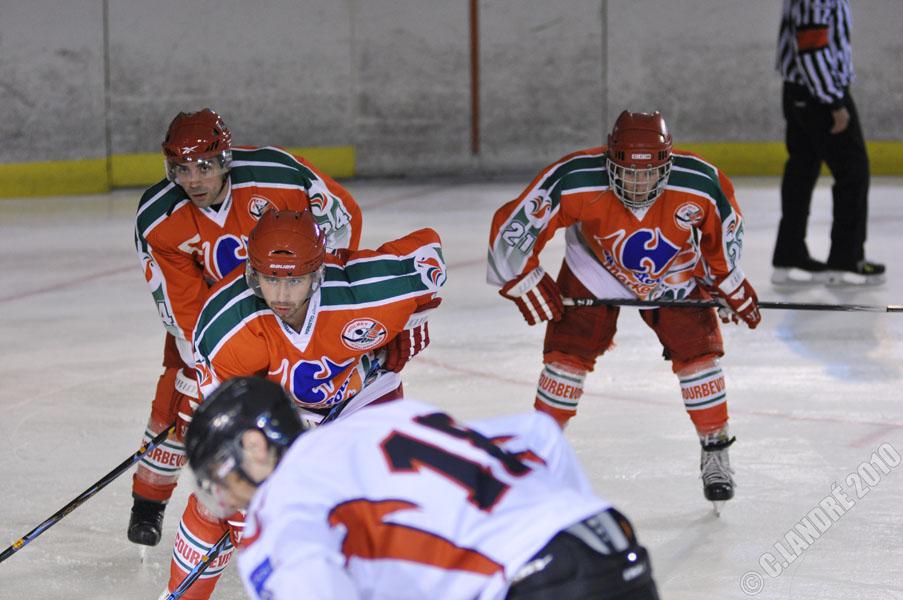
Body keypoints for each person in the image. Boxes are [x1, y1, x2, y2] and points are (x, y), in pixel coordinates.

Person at [162, 209, 446, 599]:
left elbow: (429, 254)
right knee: (218, 500)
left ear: (317, 274)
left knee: (379, 499)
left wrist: (415, 321)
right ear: (253, 274)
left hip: (364, 399)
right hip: (278, 414)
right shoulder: (226, 327)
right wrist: (251, 521)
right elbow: (232, 432)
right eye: (270, 279)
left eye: (294, 280)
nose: (281, 296)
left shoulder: (365, 291)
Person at [487, 110, 759, 509]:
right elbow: (515, 227)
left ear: (667, 165)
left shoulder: (700, 182)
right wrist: (522, 276)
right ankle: (539, 453)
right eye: (628, 173)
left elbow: (722, 232)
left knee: (698, 357)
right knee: (565, 358)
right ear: (610, 160)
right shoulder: (576, 177)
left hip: (673, 270)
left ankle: (715, 449)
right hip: (593, 266)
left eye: (649, 173)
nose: (638, 183)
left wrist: (727, 281)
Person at [183, 376, 660, 600]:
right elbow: (538, 435)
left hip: (538, 582)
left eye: (222, 474)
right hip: (610, 543)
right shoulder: (381, 422)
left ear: (254, 446)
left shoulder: (282, 497)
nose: (227, 497)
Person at [130, 108, 363, 549]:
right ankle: (148, 501)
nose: (193, 180)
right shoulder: (159, 218)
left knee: (307, 401)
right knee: (177, 403)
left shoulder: (279, 178)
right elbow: (181, 303)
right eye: (182, 169)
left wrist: (315, 302)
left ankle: (296, 502)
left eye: (204, 166)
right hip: (217, 325)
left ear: (225, 159)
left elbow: (342, 219)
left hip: (294, 305)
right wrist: (204, 368)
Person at [772, 0, 885, 285]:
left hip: (800, 92)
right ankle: (846, 261)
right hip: (819, 95)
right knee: (853, 173)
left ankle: (789, 255)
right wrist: (834, 102)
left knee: (801, 170)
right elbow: (811, 46)